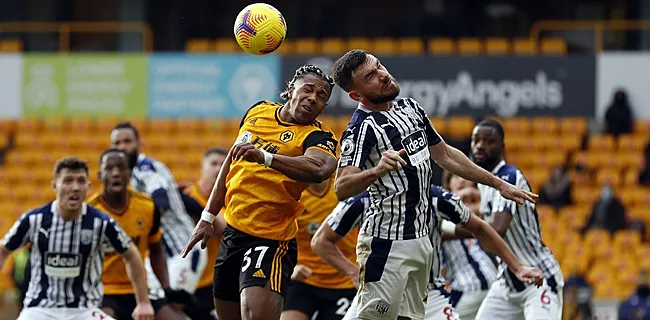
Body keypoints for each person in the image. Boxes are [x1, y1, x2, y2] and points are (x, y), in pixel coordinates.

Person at [329, 49, 539, 320]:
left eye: (379, 66)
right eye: (370, 76)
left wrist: (498, 184)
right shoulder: (361, 129)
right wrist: (377, 171)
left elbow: (446, 155)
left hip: (421, 242)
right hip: (385, 244)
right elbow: (342, 187)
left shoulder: (410, 108)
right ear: (356, 95)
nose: (382, 75)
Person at [183, 65, 339, 320]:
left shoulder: (319, 136)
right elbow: (230, 162)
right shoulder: (258, 111)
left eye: (322, 96)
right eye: (308, 90)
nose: (313, 98)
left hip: (271, 240)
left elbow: (320, 167)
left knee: (254, 315)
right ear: (291, 90)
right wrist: (207, 216)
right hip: (233, 234)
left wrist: (266, 157)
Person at [0, 156, 154, 320]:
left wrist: (143, 302)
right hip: (40, 309)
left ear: (88, 186)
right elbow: (3, 250)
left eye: (81, 181)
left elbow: (131, 254)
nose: (75, 187)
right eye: (67, 181)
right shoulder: (34, 220)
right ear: (54, 185)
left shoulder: (101, 223)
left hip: (84, 310)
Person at [464, 119, 564, 320]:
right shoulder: (484, 183)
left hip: (538, 278)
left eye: (488, 141)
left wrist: (452, 230)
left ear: (502, 147)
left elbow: (497, 230)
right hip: (507, 284)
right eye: (476, 140)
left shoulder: (509, 177)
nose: (480, 145)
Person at [110, 122, 207, 301]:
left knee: (173, 304)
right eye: (117, 143)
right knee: (153, 302)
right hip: (160, 256)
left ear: (139, 144)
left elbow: (160, 198)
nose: (122, 147)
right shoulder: (128, 175)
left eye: (127, 141)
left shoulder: (145, 168)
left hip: (183, 250)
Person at [87, 149, 188, 320]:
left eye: (121, 168)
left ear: (130, 173)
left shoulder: (147, 206)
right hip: (104, 291)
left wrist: (166, 288)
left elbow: (156, 250)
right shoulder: (90, 213)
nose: (116, 173)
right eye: (109, 168)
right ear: (99, 175)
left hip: (141, 288)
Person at [281, 177, 359, 320]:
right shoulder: (290, 193)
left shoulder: (344, 185)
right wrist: (288, 270)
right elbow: (276, 237)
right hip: (304, 279)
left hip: (345, 281)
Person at [439, 171, 498, 320]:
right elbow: (454, 227)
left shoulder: (485, 209)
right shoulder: (439, 211)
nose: (461, 180)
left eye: (465, 175)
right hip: (464, 290)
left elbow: (499, 227)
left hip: (493, 287)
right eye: (455, 176)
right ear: (448, 184)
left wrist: (480, 203)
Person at [182, 147, 227, 320]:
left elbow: (219, 228)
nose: (218, 168)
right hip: (185, 277)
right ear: (202, 167)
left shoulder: (231, 199)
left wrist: (189, 204)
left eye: (223, 164)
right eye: (213, 163)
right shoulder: (187, 193)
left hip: (214, 282)